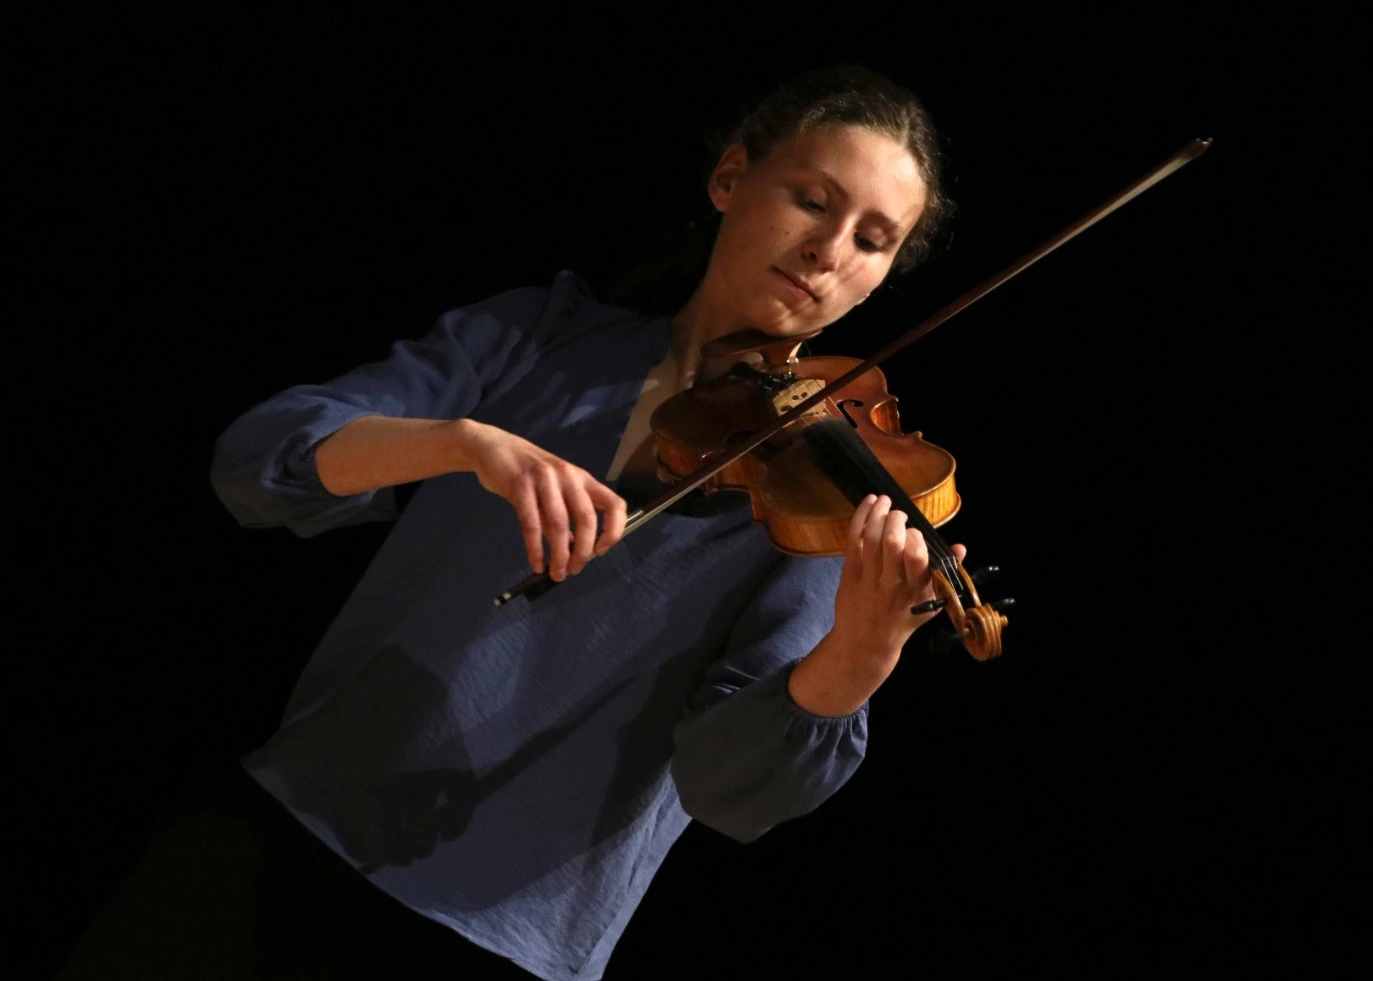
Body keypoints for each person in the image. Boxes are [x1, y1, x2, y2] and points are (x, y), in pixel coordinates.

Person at [194, 64, 956, 980]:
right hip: (295, 815)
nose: (829, 251)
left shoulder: (819, 491)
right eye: (812, 201)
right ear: (730, 177)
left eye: (872, 241)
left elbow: (733, 788)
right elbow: (260, 461)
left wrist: (859, 656)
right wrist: (464, 443)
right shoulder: (544, 333)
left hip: (509, 930)